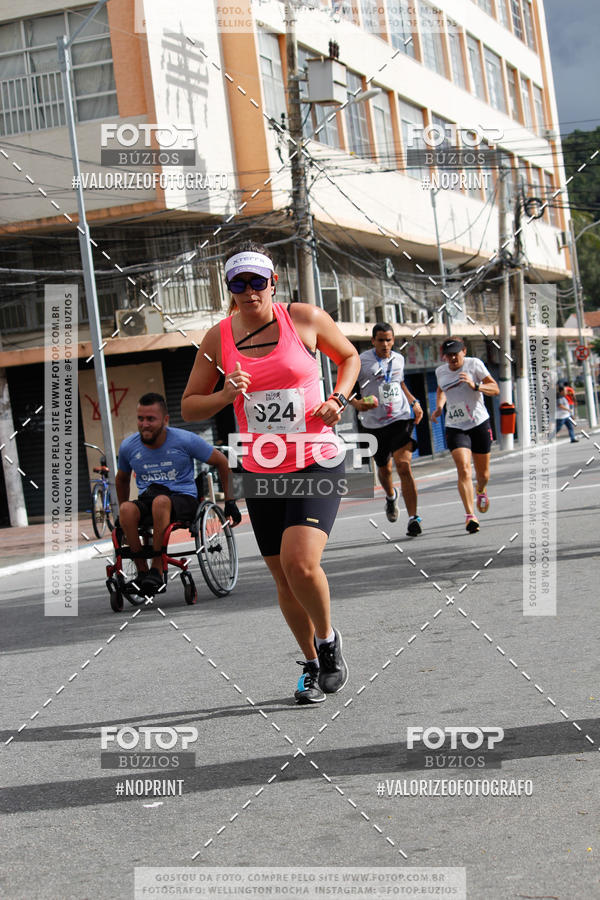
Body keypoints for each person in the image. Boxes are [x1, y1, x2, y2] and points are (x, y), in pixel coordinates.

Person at [181, 241, 360, 705]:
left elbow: (350, 358)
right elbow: (189, 405)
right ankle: (312, 664)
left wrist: (338, 399)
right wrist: (224, 395)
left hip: (315, 457)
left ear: (272, 283)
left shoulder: (303, 318)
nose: (248, 292)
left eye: (256, 282)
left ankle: (327, 641)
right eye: (237, 284)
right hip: (259, 466)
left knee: (301, 562)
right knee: (282, 579)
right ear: (229, 288)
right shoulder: (218, 338)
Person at [116, 392, 239, 595]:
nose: (144, 424)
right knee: (126, 509)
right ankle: (142, 572)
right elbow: (121, 479)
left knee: (161, 502)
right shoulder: (129, 446)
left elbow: (222, 462)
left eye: (150, 419)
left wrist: (231, 501)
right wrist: (119, 517)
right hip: (149, 497)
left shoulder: (184, 440)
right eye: (140, 419)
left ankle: (157, 568)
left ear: (165, 420)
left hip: (183, 498)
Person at [351, 322, 424, 536]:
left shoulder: (398, 359)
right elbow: (348, 391)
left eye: (389, 340)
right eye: (381, 340)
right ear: (373, 341)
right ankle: (391, 497)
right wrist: (359, 405)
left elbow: (400, 384)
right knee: (385, 469)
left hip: (400, 419)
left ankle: (413, 518)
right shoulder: (361, 362)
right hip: (373, 424)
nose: (385, 344)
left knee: (403, 465)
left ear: (393, 340)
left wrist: (414, 402)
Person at [431, 338, 500, 533]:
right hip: (455, 425)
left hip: (478, 423)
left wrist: (475, 386)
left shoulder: (474, 365)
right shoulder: (440, 371)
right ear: (444, 356)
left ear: (464, 351)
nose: (452, 357)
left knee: (483, 474)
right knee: (463, 469)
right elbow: (441, 389)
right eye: (448, 354)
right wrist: (438, 407)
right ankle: (470, 516)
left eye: (456, 353)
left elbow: (495, 388)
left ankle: (480, 489)